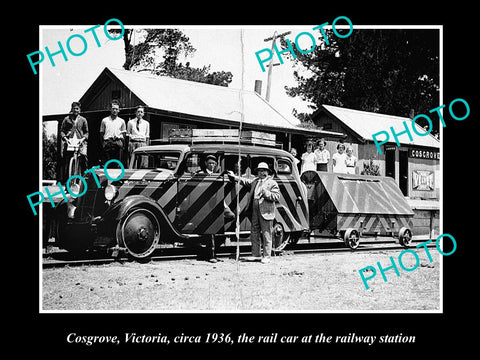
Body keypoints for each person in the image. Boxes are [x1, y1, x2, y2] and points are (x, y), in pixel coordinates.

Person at [228, 162, 280, 264]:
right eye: (260, 171)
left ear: (267, 172)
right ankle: (256, 255)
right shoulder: (255, 181)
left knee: (266, 234)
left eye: (264, 171)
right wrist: (234, 177)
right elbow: (245, 181)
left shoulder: (272, 183)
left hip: (266, 211)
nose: (262, 173)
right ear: (257, 173)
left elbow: (276, 196)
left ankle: (267, 256)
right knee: (254, 232)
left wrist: (265, 193)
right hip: (255, 209)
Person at [59, 101, 89, 181]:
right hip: (70, 142)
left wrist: (82, 139)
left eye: (77, 109)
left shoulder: (83, 120)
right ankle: (67, 184)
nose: (76, 110)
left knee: (83, 160)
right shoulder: (67, 119)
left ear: (80, 110)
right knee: (68, 162)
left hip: (80, 142)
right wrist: (66, 139)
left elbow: (86, 133)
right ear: (71, 109)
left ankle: (83, 180)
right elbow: (62, 131)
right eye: (74, 109)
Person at [100, 100, 126, 165]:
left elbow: (124, 134)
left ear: (119, 110)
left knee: (117, 164)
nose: (115, 110)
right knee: (107, 164)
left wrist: (122, 144)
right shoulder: (104, 120)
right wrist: (103, 143)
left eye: (116, 109)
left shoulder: (121, 121)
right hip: (108, 142)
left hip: (118, 142)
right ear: (110, 109)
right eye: (113, 109)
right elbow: (101, 133)